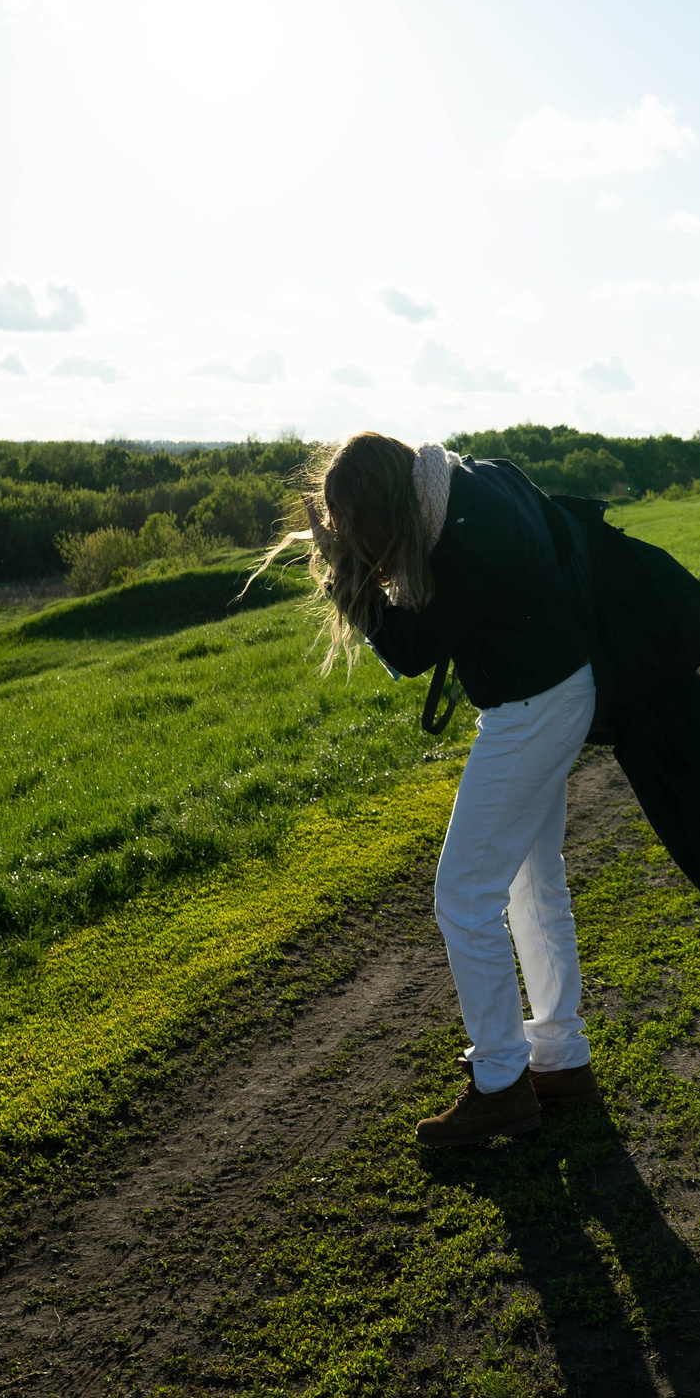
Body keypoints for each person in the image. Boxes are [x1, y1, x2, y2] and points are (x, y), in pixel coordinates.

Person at [258, 431, 601, 1147]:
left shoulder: (466, 536)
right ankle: (561, 1060)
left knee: (463, 896)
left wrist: (343, 570)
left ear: (383, 505)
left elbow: (413, 650)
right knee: (530, 883)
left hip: (530, 708)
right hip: (559, 689)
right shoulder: (466, 484)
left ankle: (502, 1083)